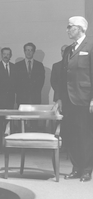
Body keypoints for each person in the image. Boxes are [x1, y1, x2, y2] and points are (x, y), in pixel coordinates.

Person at [56, 16, 93, 182]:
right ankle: (76, 167)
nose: (67, 30)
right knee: (71, 134)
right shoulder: (68, 49)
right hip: (69, 100)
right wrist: (60, 99)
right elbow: (63, 77)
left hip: (85, 99)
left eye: (70, 27)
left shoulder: (91, 46)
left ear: (80, 28)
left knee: (85, 135)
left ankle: (86, 169)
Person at [15, 42, 45, 131]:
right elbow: (15, 82)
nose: (29, 52)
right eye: (27, 50)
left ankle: (33, 140)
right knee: (22, 120)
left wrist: (33, 91)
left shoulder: (39, 65)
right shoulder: (18, 65)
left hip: (35, 97)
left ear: (33, 52)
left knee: (34, 121)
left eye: (31, 50)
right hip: (22, 97)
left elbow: (41, 82)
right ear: (24, 51)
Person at [0, 47, 16, 153]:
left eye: (8, 54)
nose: (6, 56)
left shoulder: (14, 67)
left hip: (10, 100)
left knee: (9, 124)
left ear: (10, 55)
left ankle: (9, 147)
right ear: (1, 55)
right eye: (4, 54)